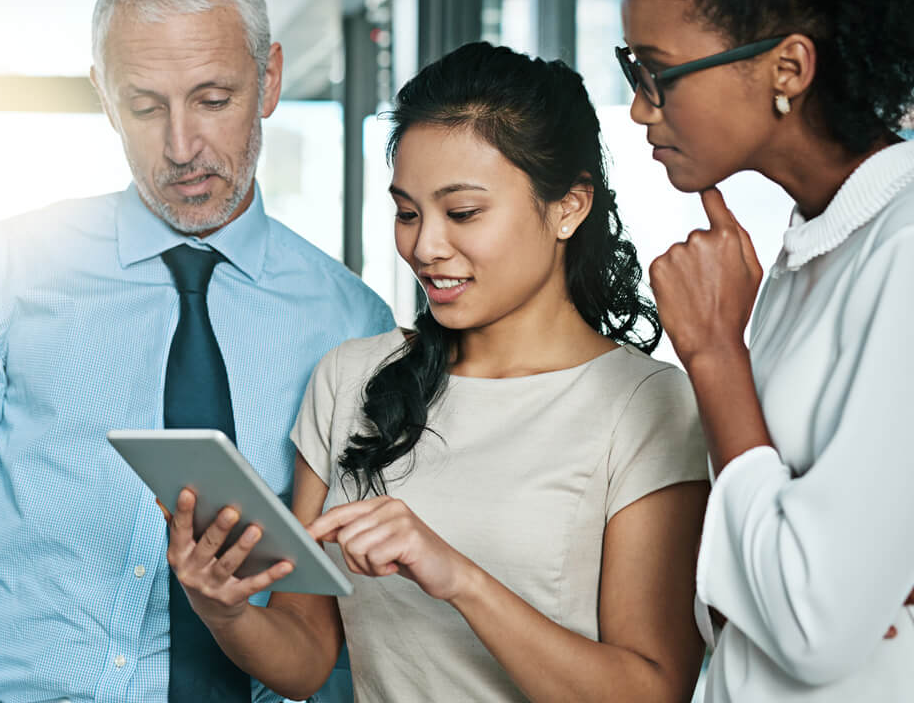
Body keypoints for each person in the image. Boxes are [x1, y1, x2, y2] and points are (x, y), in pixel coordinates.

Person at [0, 0, 392, 703]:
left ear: (268, 81)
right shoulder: (5, 272)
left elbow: (341, 609)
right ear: (104, 95)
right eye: (145, 105)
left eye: (213, 99)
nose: (181, 146)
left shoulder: (350, 320)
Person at [165, 43, 712, 702]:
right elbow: (306, 657)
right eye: (407, 212)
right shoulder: (350, 380)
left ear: (568, 206)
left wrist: (459, 577)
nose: (424, 247)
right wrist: (222, 608)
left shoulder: (647, 405)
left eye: (463, 213)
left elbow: (654, 691)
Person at [566, 0, 914, 700]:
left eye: (656, 72)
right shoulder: (809, 246)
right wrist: (814, 571)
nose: (638, 110)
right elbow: (766, 588)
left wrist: (714, 357)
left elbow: (811, 623)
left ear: (788, 66)